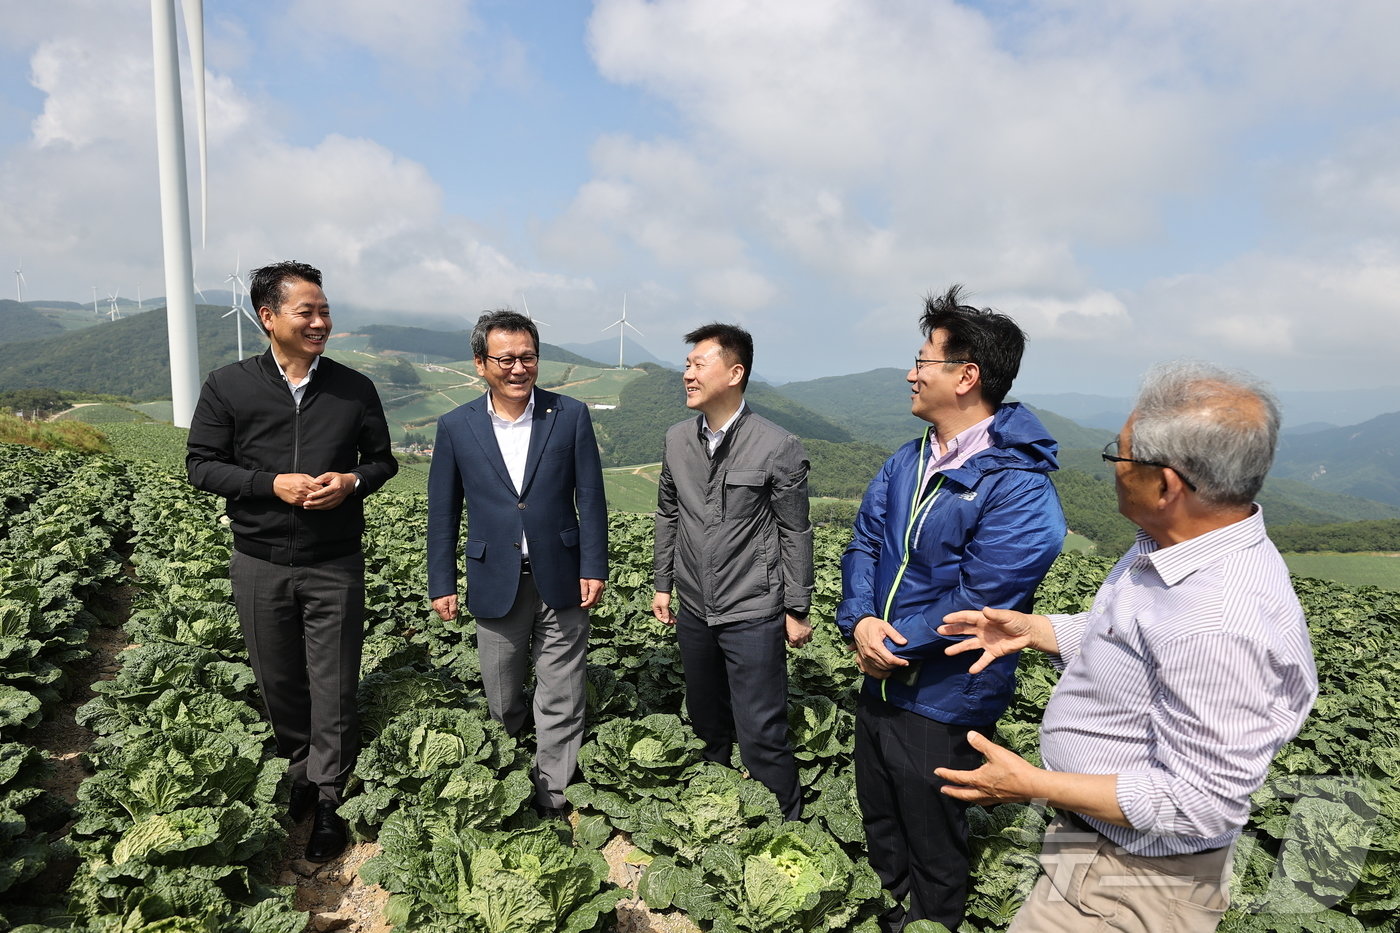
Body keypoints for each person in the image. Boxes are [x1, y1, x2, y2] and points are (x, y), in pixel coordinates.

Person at [936, 361, 1318, 933]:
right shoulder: (1174, 549)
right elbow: (1136, 642)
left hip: (1134, 882)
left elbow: (1200, 801)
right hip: (1092, 841)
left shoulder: (1219, 619)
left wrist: (1031, 785)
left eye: (1120, 454)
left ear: (1166, 485)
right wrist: (1038, 631)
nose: (1112, 468)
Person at [838, 286, 1065, 931]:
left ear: (965, 377)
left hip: (944, 692)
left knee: (933, 835)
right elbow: (864, 543)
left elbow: (984, 597)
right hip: (878, 675)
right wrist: (859, 621)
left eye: (923, 361)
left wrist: (893, 645)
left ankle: (933, 922)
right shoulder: (907, 461)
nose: (911, 374)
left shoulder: (1018, 487)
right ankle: (885, 912)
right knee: (881, 815)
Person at [186, 260, 398, 862]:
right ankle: (302, 773)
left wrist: (352, 481)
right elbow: (201, 464)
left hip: (334, 560)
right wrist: (267, 484)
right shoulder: (229, 385)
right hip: (258, 559)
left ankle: (329, 798)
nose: (321, 322)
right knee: (278, 679)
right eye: (307, 311)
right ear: (268, 317)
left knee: (333, 681)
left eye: (325, 310)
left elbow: (382, 460)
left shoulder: (354, 387)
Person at [427, 309, 607, 819]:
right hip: (494, 578)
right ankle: (505, 773)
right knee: (502, 692)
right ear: (481, 363)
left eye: (527, 357)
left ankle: (553, 794)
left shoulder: (569, 414)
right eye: (505, 358)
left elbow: (590, 497)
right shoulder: (456, 426)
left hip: (564, 575)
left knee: (563, 691)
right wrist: (442, 580)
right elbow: (443, 511)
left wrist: (593, 565)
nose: (518, 368)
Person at [652, 323, 813, 820]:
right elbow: (668, 513)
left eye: (699, 364)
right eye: (686, 364)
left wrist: (797, 607)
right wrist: (662, 583)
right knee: (705, 719)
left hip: (753, 608)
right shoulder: (677, 439)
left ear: (734, 373)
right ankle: (715, 812)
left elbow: (795, 531)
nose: (687, 374)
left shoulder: (776, 445)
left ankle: (782, 823)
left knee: (761, 728)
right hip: (695, 605)